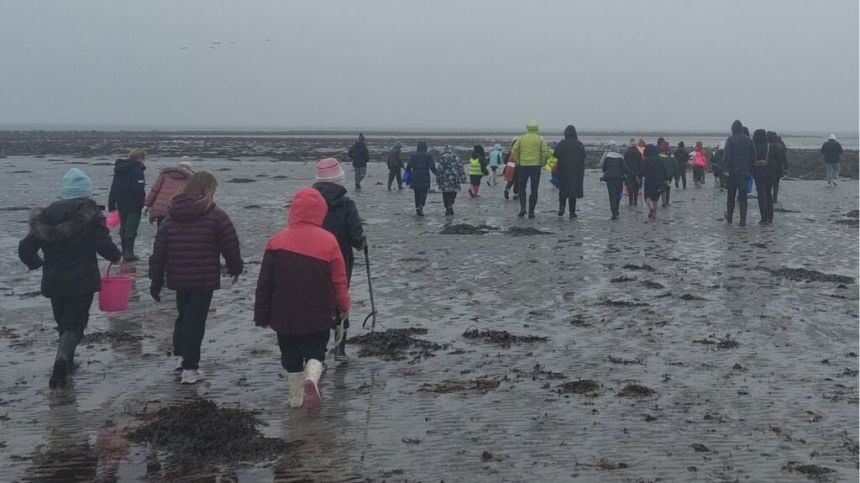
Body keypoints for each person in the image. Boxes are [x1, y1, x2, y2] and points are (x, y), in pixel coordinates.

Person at [18, 168, 122, 389]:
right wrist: (116, 256)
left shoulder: (45, 215)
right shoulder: (91, 215)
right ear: (86, 192)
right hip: (81, 279)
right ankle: (62, 360)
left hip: (53, 280)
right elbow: (103, 244)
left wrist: (36, 264)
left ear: (65, 192)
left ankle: (68, 363)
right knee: (74, 324)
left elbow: (25, 248)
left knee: (62, 322)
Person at [254, 188, 350, 411]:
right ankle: (313, 377)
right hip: (318, 311)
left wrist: (261, 314)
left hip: (283, 312)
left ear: (293, 211)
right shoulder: (329, 241)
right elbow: (339, 281)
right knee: (317, 349)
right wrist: (344, 306)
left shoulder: (276, 241)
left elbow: (264, 284)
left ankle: (295, 398)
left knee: (290, 355)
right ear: (321, 212)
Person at [148, 171, 243, 384]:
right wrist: (236, 268)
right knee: (194, 321)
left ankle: (182, 358)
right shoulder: (216, 216)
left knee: (184, 315)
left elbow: (158, 252)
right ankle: (189, 368)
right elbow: (230, 245)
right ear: (209, 190)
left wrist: (155, 280)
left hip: (178, 277)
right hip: (203, 278)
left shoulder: (171, 216)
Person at [312, 158, 366, 356]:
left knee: (316, 303)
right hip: (340, 261)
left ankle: (317, 351)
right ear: (340, 179)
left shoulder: (310, 202)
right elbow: (355, 236)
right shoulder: (346, 204)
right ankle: (339, 349)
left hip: (312, 261)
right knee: (340, 302)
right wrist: (362, 242)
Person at [108, 148, 146, 262]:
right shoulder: (137, 170)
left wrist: (111, 203)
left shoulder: (119, 170)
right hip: (134, 204)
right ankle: (129, 253)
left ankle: (125, 252)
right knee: (131, 228)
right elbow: (138, 189)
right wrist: (143, 204)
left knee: (124, 227)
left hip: (121, 203)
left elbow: (113, 187)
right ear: (140, 158)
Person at [512, 121, 551, 218]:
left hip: (523, 166)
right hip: (535, 167)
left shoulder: (521, 138)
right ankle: (531, 212)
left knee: (522, 188)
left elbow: (514, 150)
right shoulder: (540, 139)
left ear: (527, 128)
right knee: (534, 189)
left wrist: (518, 161)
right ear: (537, 128)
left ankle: (523, 208)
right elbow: (545, 152)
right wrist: (542, 162)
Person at [723, 120, 756, 226]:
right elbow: (753, 155)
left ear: (733, 129)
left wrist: (724, 168)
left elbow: (726, 156)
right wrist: (749, 167)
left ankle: (729, 219)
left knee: (731, 197)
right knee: (743, 198)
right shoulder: (748, 140)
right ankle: (742, 220)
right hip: (745, 173)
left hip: (732, 173)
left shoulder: (730, 139)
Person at [144, 157, 194, 227]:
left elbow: (154, 191)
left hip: (161, 208)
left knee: (161, 231)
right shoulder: (190, 179)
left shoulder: (166, 174)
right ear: (190, 168)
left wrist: (147, 205)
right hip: (176, 210)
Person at [553, 125, 586, 219]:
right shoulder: (579, 144)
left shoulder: (562, 143)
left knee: (563, 190)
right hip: (575, 172)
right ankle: (572, 212)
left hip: (563, 170)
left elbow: (555, 155)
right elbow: (584, 156)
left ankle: (561, 208)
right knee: (573, 192)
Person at [404, 141, 437, 216]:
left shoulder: (414, 155)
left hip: (415, 176)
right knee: (424, 192)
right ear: (425, 147)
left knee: (416, 193)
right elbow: (432, 166)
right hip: (424, 176)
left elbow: (409, 166)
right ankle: (421, 206)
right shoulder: (428, 155)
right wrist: (437, 173)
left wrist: (407, 173)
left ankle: (417, 208)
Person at [752, 129, 776, 225]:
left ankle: (764, 218)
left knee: (761, 195)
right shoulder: (770, 146)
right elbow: (775, 160)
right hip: (769, 172)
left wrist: (755, 163)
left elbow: (750, 159)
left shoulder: (753, 146)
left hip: (758, 172)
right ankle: (770, 217)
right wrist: (768, 162)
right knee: (769, 194)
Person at [600, 141, 628, 220]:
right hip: (619, 178)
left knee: (612, 195)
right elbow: (625, 169)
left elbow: (604, 168)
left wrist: (606, 173)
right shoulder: (620, 158)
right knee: (618, 194)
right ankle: (616, 210)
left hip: (610, 178)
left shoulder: (607, 158)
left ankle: (614, 212)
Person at [437, 144, 467, 216]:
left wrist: (438, 179)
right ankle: (450, 203)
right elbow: (461, 169)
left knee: (445, 194)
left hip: (445, 179)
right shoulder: (456, 158)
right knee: (453, 193)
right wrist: (463, 178)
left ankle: (447, 206)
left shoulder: (442, 158)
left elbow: (439, 169)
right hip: (454, 179)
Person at [640, 144, 668, 221]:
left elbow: (643, 171)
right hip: (659, 181)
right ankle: (654, 214)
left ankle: (651, 208)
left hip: (650, 181)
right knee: (656, 198)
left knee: (647, 197)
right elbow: (664, 170)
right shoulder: (659, 159)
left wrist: (639, 175)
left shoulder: (646, 160)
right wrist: (666, 178)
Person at [769, 132, 788, 203]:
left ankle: (769, 197)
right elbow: (784, 156)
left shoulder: (768, 145)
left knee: (769, 183)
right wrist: (786, 166)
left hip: (770, 167)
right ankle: (774, 198)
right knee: (776, 184)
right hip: (779, 167)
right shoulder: (780, 145)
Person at [623, 140, 643, 206]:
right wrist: (640, 172)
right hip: (637, 173)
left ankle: (630, 202)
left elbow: (624, 163)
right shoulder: (638, 153)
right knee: (636, 189)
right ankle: (635, 203)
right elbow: (641, 164)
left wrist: (625, 172)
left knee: (630, 189)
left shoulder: (626, 153)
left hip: (629, 172)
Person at [658, 141, 676, 207]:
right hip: (670, 174)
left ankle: (663, 201)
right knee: (667, 187)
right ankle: (666, 201)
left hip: (662, 174)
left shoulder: (659, 156)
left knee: (662, 187)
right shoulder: (671, 155)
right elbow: (675, 164)